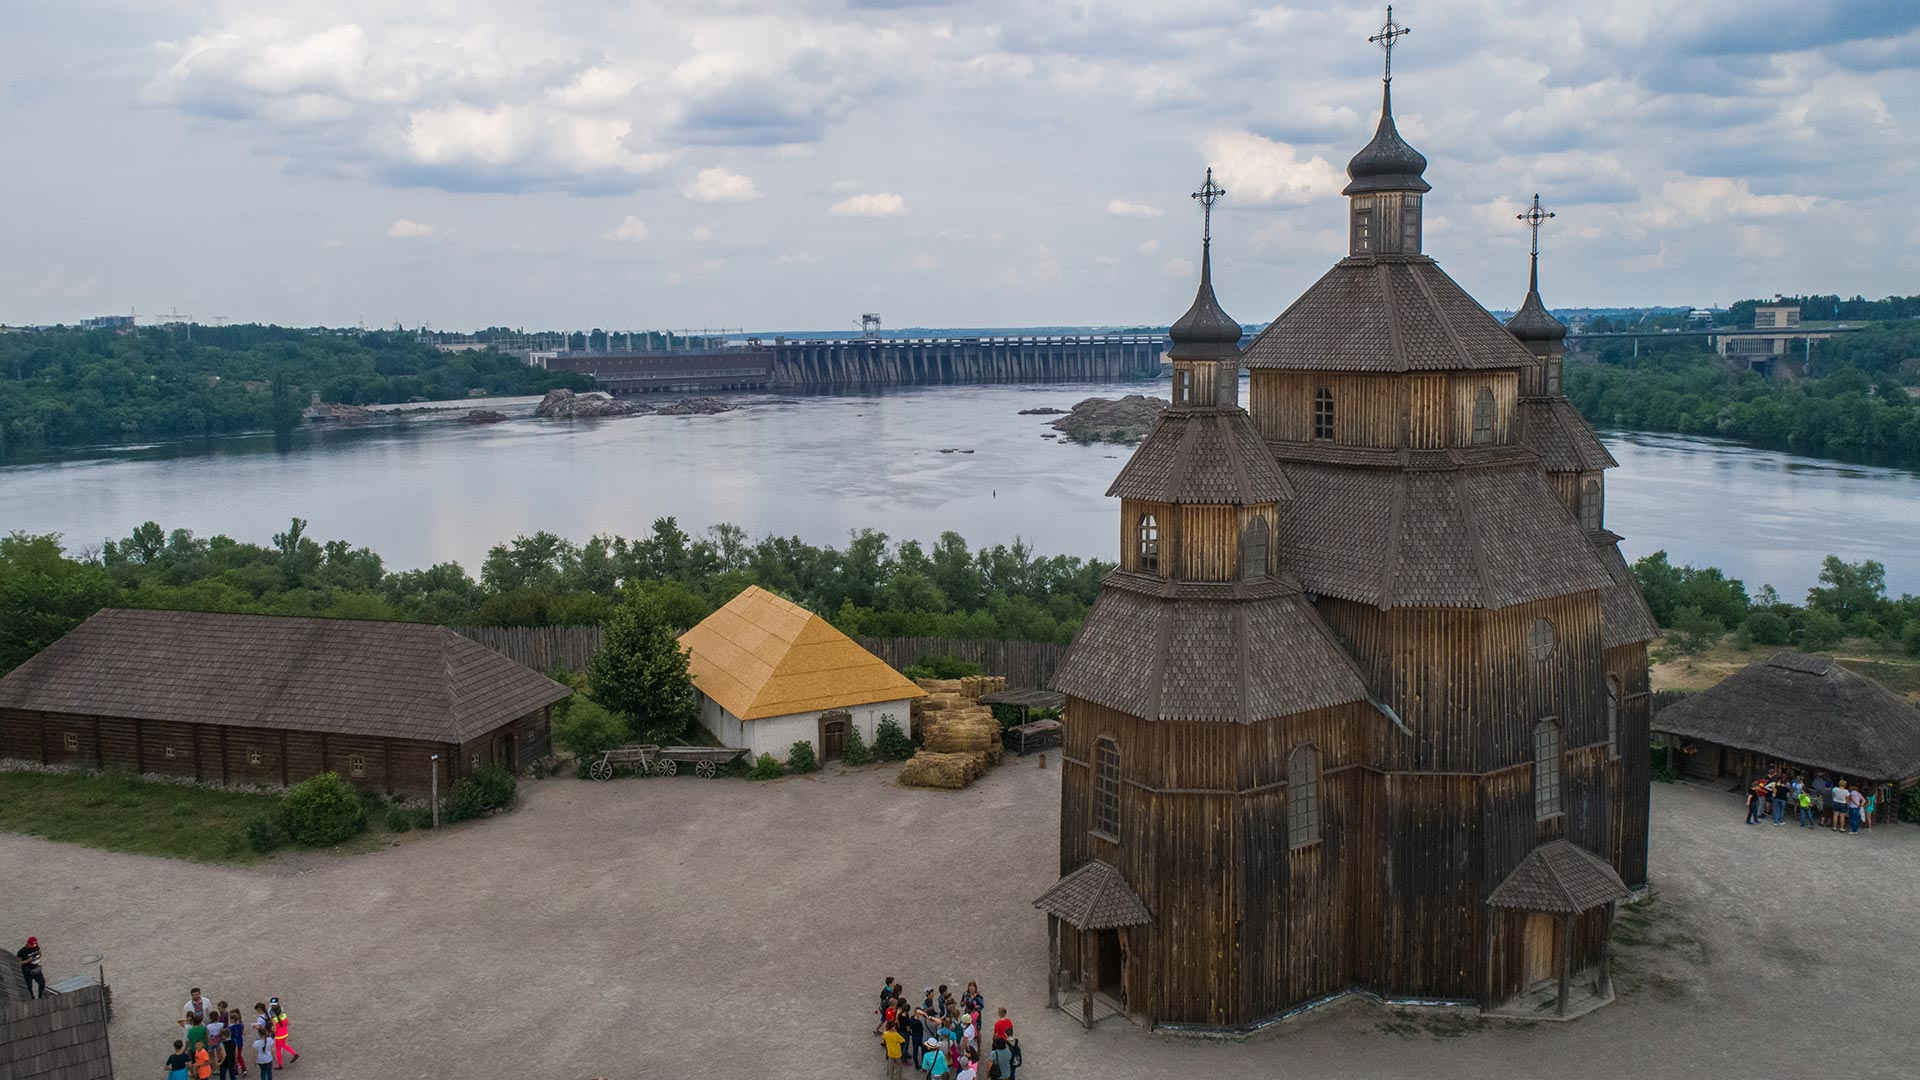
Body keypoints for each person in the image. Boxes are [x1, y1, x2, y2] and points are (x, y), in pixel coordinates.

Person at [267, 999, 298, 1067]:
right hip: (285, 1033)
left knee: (278, 1049)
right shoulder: (282, 1011)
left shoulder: (272, 1015)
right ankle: (294, 1054)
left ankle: (280, 1065)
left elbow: (274, 1028)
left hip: (278, 1035)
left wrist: (271, 1030)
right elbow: (287, 1022)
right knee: (284, 1045)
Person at [225, 1008, 247, 1079]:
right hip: (240, 1042)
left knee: (234, 1057)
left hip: (234, 1044)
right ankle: (244, 1069)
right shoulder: (241, 1025)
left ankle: (236, 1071)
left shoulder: (230, 1027)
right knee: (239, 1056)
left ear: (232, 1020)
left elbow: (228, 1035)